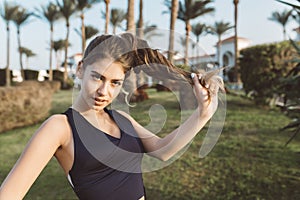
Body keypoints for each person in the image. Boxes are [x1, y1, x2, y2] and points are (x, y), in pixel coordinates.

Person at [0, 33, 224, 200]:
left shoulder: (121, 119)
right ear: (80, 69)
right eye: (97, 77)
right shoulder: (60, 127)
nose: (104, 91)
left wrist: (203, 115)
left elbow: (163, 150)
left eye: (115, 82)